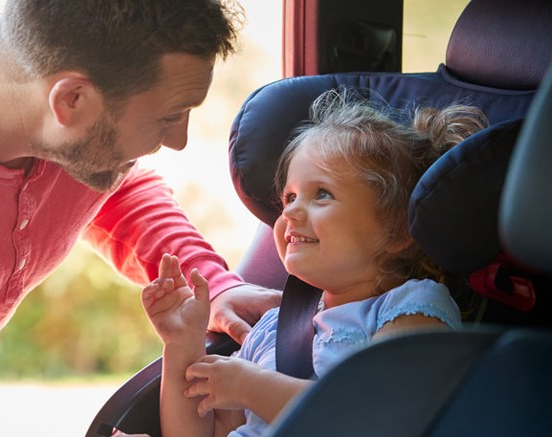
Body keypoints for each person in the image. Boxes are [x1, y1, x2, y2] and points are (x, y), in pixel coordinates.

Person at [0, 1, 283, 435]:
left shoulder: (67, 124)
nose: (180, 140)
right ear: (71, 100)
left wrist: (209, 282)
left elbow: (118, 189)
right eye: (169, 117)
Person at [137, 89, 489, 437]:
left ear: (397, 230)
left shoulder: (412, 307)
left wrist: (251, 386)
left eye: (322, 194)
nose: (289, 211)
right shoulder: (271, 329)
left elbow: (374, 417)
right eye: (289, 196)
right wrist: (182, 344)